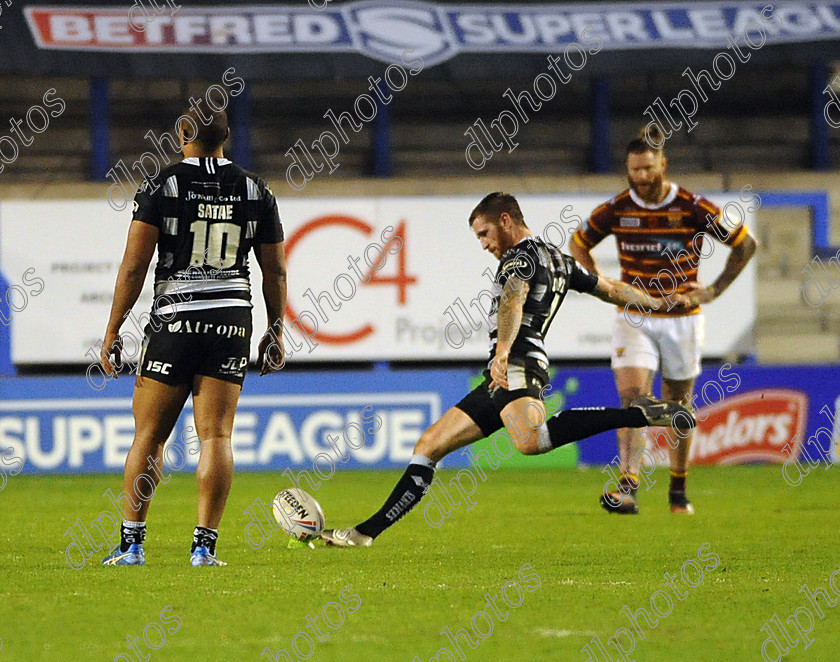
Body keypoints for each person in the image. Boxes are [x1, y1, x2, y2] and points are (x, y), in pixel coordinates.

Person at [321, 192, 696, 548]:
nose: (484, 244)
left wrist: (501, 352)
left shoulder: (519, 259)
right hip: (503, 375)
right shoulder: (559, 259)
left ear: (505, 220)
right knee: (429, 445)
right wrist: (658, 303)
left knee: (531, 441)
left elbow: (512, 300)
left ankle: (636, 414)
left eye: (484, 233)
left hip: (516, 364)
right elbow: (611, 289)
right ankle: (365, 533)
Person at [99, 106, 287, 566]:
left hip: (175, 321)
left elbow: (134, 265)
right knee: (217, 436)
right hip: (230, 321)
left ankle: (132, 545)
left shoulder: (161, 185)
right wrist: (275, 329)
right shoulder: (255, 188)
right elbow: (275, 269)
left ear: (183, 133)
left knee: (149, 435)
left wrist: (113, 329)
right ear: (227, 137)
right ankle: (204, 548)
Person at [569, 129, 757, 515]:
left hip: (682, 320)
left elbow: (745, 244)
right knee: (633, 399)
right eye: (634, 170)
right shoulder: (618, 208)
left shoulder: (691, 206)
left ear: (663, 165)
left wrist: (714, 290)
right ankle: (628, 487)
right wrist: (601, 285)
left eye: (647, 169)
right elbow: (578, 243)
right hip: (634, 316)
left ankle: (678, 489)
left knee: (679, 405)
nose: (640, 177)